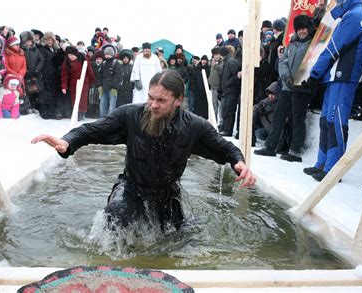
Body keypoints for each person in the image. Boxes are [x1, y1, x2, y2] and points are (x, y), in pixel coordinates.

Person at [31, 70, 255, 230]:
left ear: (178, 100)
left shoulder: (194, 126)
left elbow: (224, 148)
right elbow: (92, 130)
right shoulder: (130, 115)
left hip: (168, 192)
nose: (153, 105)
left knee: (180, 236)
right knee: (113, 217)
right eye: (150, 98)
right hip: (131, 186)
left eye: (161, 100)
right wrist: (67, 142)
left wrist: (239, 163)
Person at [301, 0, 362, 181]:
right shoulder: (349, 14)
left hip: (344, 76)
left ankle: (333, 170)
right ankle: (321, 164)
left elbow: (334, 48)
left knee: (335, 122)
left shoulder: (355, 15)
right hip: (334, 76)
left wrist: (315, 74)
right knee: (325, 120)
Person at [254, 15, 315, 162]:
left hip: (302, 87)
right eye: (299, 29)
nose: (301, 32)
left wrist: (299, 79)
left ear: (309, 29)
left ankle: (295, 151)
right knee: (278, 116)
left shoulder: (313, 44)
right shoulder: (292, 44)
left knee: (297, 119)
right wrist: (286, 76)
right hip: (287, 86)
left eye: (304, 29)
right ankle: (270, 147)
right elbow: (283, 61)